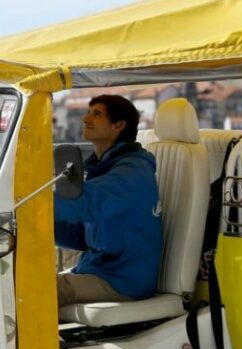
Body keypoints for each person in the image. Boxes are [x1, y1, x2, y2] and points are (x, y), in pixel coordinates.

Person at [55, 95, 163, 306]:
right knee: (26, 281)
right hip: (99, 270)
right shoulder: (104, 169)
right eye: (88, 112)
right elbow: (81, 237)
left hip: (122, 279)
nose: (86, 119)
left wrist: (36, 205)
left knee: (34, 290)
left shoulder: (133, 172)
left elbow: (87, 203)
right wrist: (40, 224)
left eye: (97, 114)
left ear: (119, 125)